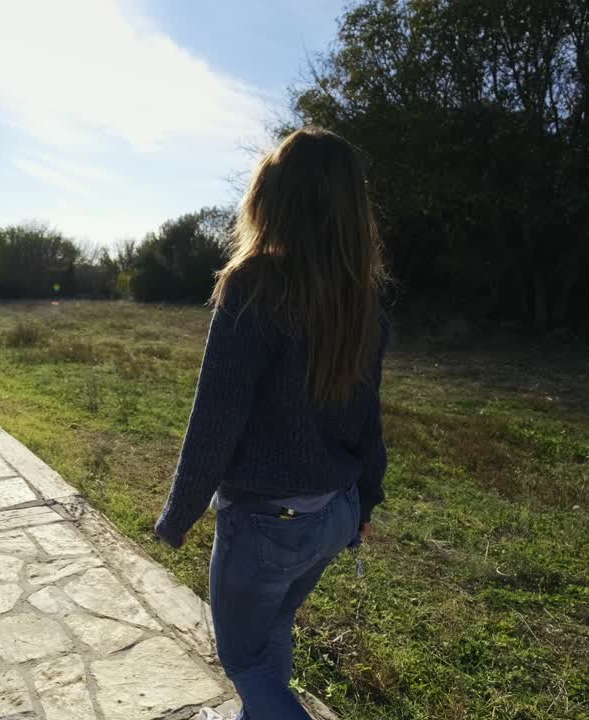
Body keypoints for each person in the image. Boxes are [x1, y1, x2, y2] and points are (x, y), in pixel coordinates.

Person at [154, 126, 390, 720]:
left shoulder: (254, 285)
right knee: (274, 628)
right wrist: (363, 505)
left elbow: (216, 416)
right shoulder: (363, 302)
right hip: (333, 514)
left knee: (245, 662)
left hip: (267, 524)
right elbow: (369, 420)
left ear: (273, 197)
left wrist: (178, 516)